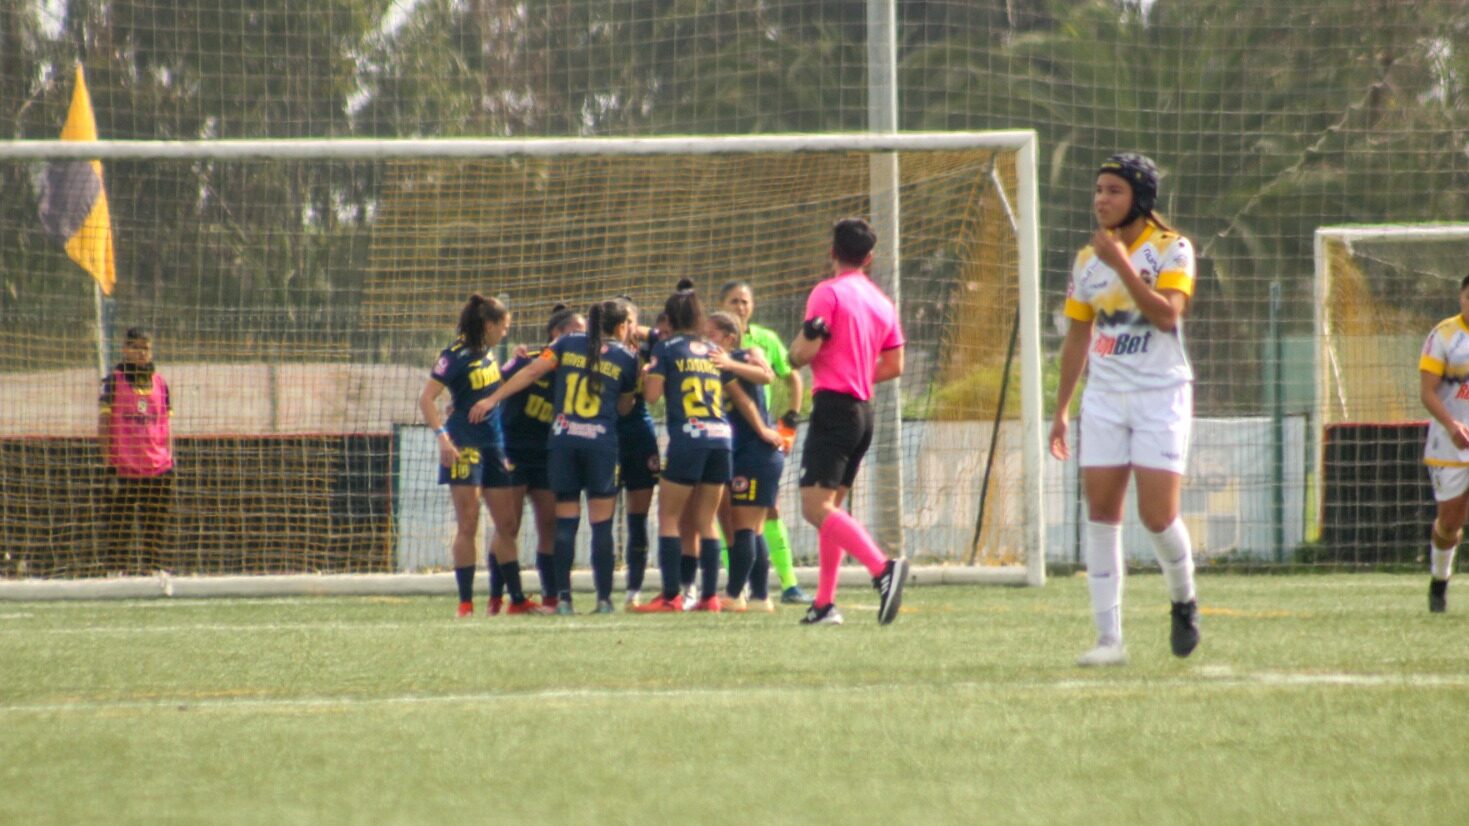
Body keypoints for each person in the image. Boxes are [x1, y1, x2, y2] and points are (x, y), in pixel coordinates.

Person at [1049, 153, 1201, 666]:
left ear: (1140, 197)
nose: (1101, 200)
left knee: (1158, 517)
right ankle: (1109, 641)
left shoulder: (1172, 249)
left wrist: (1120, 264)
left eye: (1113, 190)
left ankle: (1183, 600)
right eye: (1098, 189)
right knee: (1101, 515)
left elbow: (1166, 316)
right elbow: (1077, 337)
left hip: (1161, 395)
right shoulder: (1085, 260)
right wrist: (1062, 408)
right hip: (1105, 399)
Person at [470, 298, 639, 615]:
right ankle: (603, 600)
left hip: (563, 442)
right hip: (600, 444)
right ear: (620, 327)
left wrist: (492, 398)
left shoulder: (565, 345)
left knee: (565, 521)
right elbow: (625, 407)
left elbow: (532, 371)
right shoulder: (627, 358)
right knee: (601, 524)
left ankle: (563, 599)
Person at [788, 218, 909, 626]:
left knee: (814, 507)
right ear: (870, 258)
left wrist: (804, 341)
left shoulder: (828, 292)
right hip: (863, 413)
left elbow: (801, 356)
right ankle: (824, 604)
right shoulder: (882, 302)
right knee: (832, 511)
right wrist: (857, 368)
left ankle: (881, 569)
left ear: (832, 250)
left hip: (835, 407)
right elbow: (895, 364)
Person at [634, 280, 770, 613]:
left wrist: (647, 373)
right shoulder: (713, 351)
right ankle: (709, 597)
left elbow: (651, 397)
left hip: (689, 438)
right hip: (721, 438)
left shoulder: (667, 349)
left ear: (670, 318)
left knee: (669, 518)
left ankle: (670, 597)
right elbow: (739, 391)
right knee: (707, 520)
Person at [417, 294, 542, 618]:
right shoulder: (453, 355)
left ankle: (515, 600)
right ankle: (465, 603)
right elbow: (427, 399)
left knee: (507, 523)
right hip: (463, 447)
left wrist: (512, 364)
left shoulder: (487, 354)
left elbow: (488, 386)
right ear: (489, 325)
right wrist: (443, 439)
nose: (506, 333)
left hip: (494, 445)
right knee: (468, 523)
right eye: (504, 327)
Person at [718, 280, 811, 604]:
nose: (740, 307)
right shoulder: (717, 348)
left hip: (757, 438)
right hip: (732, 440)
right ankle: (750, 591)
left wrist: (788, 422)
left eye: (745, 301)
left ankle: (785, 584)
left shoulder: (761, 344)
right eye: (734, 301)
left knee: (763, 514)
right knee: (734, 518)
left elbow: (786, 377)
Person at [494, 304, 586, 613]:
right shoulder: (530, 362)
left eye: (584, 333)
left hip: (548, 457)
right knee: (508, 526)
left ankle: (550, 596)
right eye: (575, 332)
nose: (581, 338)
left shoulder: (578, 371)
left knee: (550, 526)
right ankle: (500, 598)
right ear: (555, 335)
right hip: (513, 453)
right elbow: (494, 383)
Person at [708, 310, 785, 612]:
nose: (707, 340)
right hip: (740, 452)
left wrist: (729, 362)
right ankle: (760, 596)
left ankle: (734, 593)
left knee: (743, 527)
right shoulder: (713, 365)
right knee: (752, 529)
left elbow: (764, 377)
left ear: (729, 337)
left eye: (712, 334)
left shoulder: (746, 354)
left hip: (757, 452)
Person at [99, 327, 174, 574]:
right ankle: (115, 571)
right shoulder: (114, 382)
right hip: (125, 467)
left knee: (155, 524)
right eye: (136, 348)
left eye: (146, 348)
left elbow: (166, 424)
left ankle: (154, 569)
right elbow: (104, 424)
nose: (142, 353)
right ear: (125, 349)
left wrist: (169, 457)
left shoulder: (160, 383)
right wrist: (108, 462)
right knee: (119, 524)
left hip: (157, 467)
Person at [1417, 274, 1469, 613]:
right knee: (1450, 523)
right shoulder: (1444, 336)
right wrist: (1452, 425)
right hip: (1451, 443)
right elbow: (1427, 392)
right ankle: (1439, 580)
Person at [614, 297, 661, 608]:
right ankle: (600, 590)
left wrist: (646, 334)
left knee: (637, 518)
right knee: (599, 518)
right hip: (606, 436)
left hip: (640, 437)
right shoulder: (601, 354)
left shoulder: (648, 351)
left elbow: (671, 338)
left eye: (632, 321)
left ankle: (634, 590)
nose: (629, 328)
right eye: (623, 322)